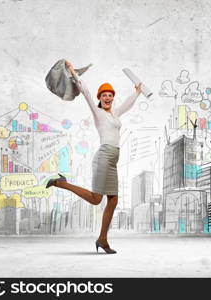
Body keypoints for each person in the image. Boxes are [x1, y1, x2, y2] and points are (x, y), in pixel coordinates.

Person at [46, 60, 142, 254]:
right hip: (104, 156)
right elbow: (86, 91)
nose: (107, 98)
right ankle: (61, 183)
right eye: (104, 95)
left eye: (110, 96)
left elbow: (127, 105)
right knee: (97, 199)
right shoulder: (98, 113)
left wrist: (138, 92)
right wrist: (73, 71)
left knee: (113, 200)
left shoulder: (115, 114)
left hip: (113, 159)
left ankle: (103, 240)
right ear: (100, 98)